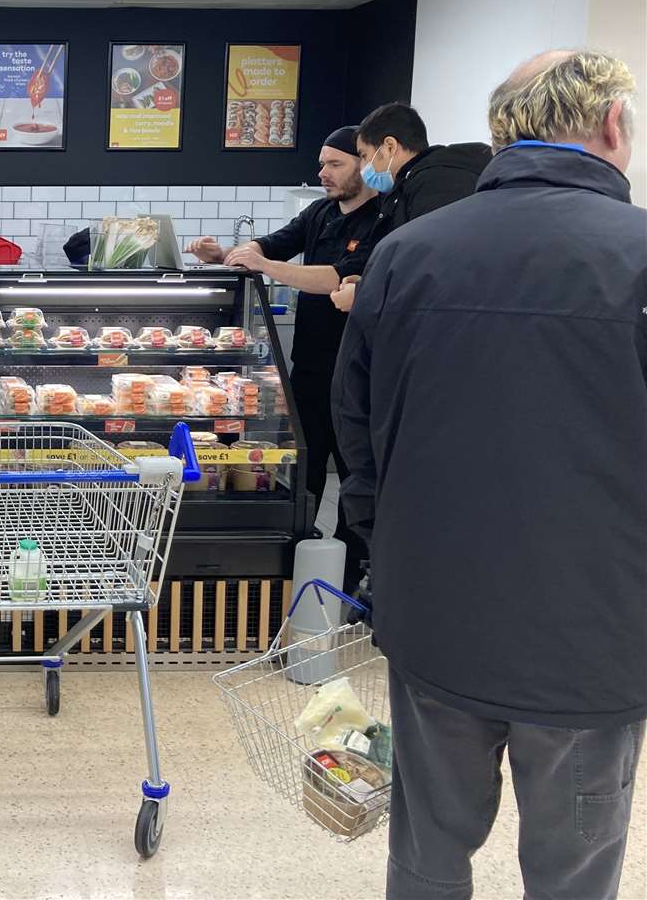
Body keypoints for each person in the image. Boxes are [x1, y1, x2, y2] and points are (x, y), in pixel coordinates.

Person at [333, 49, 646, 899]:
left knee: (429, 852)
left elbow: (355, 427)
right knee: (573, 868)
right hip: (594, 633)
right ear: (614, 124)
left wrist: (383, 542)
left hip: (435, 615)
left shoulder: (406, 253)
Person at [187, 126, 377, 590]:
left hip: (360, 375)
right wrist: (229, 254)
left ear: (365, 164)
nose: (323, 173)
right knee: (301, 471)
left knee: (355, 481)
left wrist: (267, 266)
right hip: (309, 371)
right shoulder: (319, 213)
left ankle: (348, 582)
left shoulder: (385, 218)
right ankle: (295, 569)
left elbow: (337, 279)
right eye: (322, 163)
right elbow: (269, 245)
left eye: (335, 164)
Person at [329, 102, 490, 312]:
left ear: (389, 147)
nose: (363, 167)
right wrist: (367, 283)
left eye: (364, 155)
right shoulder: (407, 187)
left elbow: (437, 270)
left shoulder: (438, 184)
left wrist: (364, 294)